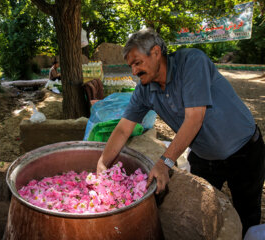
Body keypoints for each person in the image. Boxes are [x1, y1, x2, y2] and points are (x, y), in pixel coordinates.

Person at [96, 28, 265, 236]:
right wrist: (103, 163)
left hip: (244, 149)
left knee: (247, 214)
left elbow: (194, 119)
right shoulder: (144, 89)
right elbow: (122, 129)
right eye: (131, 66)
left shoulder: (191, 62)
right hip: (205, 157)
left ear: (156, 52)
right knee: (203, 212)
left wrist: (165, 162)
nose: (133, 72)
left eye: (137, 62)